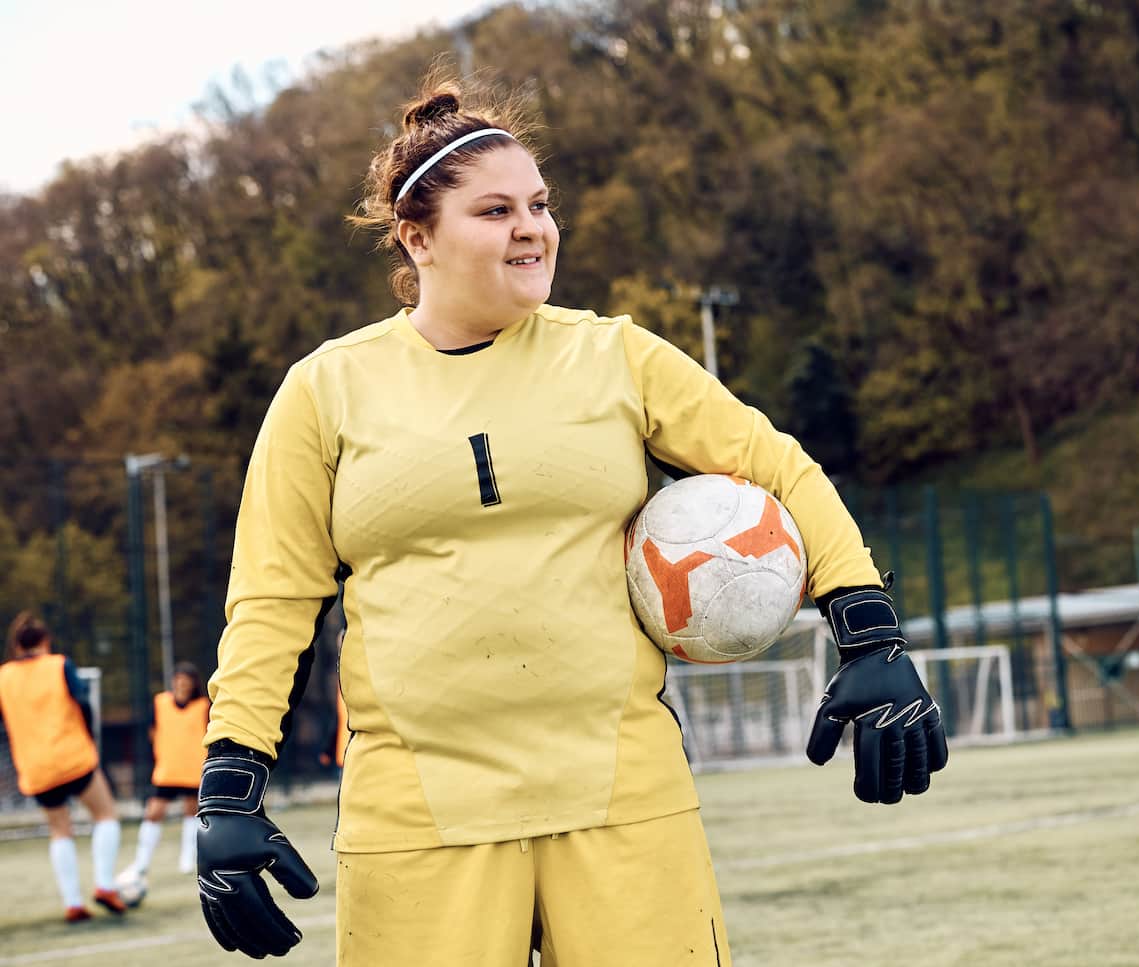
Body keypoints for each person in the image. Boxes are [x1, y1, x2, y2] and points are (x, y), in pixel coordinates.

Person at [197, 70, 947, 966]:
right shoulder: (325, 390)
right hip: (418, 812)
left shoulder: (616, 355)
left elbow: (780, 469)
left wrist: (869, 632)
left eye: (540, 204)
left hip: (624, 795)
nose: (531, 228)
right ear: (415, 237)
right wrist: (229, 785)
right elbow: (274, 599)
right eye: (494, 210)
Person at [0, 612, 126, 922]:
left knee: (59, 830)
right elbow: (83, 703)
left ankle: (73, 903)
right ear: (45, 641)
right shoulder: (58, 665)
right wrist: (88, 735)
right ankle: (105, 886)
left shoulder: (3, 676)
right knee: (106, 814)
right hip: (73, 758)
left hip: (35, 767)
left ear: (16, 645)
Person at [121, 661, 209, 881]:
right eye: (178, 680)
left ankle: (188, 858)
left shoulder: (203, 706)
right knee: (153, 813)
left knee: (192, 811)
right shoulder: (160, 703)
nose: (182, 685)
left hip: (193, 769)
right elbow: (153, 731)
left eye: (186, 681)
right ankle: (141, 862)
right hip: (168, 770)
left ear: (193, 684)